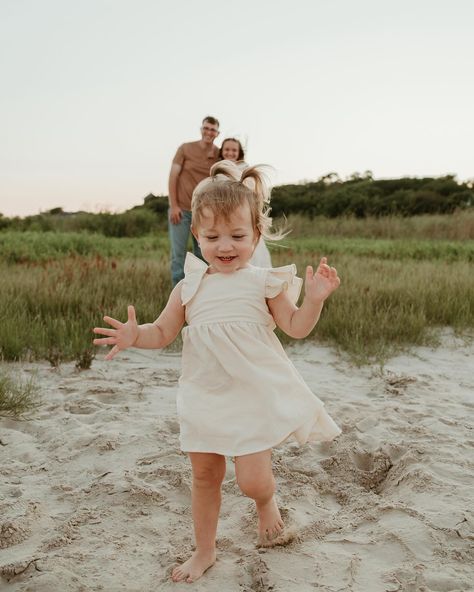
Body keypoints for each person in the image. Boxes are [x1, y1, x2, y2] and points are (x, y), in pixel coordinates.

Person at [93, 161, 341, 584]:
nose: (225, 246)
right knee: (205, 475)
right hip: (204, 393)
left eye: (238, 236)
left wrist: (315, 300)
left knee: (251, 481)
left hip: (251, 396)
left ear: (257, 235)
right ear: (196, 236)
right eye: (211, 237)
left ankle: (266, 504)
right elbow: (165, 331)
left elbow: (296, 328)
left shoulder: (265, 282)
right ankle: (204, 550)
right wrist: (137, 335)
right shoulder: (188, 285)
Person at [168, 116, 220, 286]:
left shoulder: (219, 155)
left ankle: (201, 291)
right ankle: (178, 295)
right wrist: (173, 205)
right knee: (179, 255)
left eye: (212, 129)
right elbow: (173, 176)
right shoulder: (185, 148)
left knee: (203, 254)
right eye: (206, 128)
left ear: (217, 133)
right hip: (181, 211)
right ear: (201, 129)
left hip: (204, 213)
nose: (208, 132)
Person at [218, 137, 272, 267]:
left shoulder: (245, 170)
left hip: (243, 216)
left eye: (234, 150)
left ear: (239, 152)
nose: (230, 153)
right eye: (227, 149)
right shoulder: (217, 170)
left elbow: (253, 194)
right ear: (221, 151)